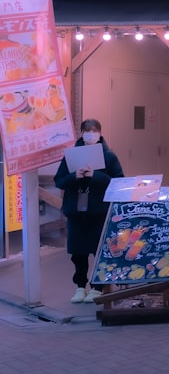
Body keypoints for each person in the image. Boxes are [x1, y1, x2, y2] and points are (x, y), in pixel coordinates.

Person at [53, 119, 125, 304]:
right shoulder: (70, 157)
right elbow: (59, 181)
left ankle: (97, 287)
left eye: (94, 131)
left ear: (100, 133)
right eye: (87, 131)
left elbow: (119, 181)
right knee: (78, 252)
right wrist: (73, 176)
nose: (90, 134)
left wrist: (96, 176)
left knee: (99, 250)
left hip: (99, 211)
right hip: (76, 212)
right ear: (81, 132)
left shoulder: (108, 156)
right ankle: (79, 287)